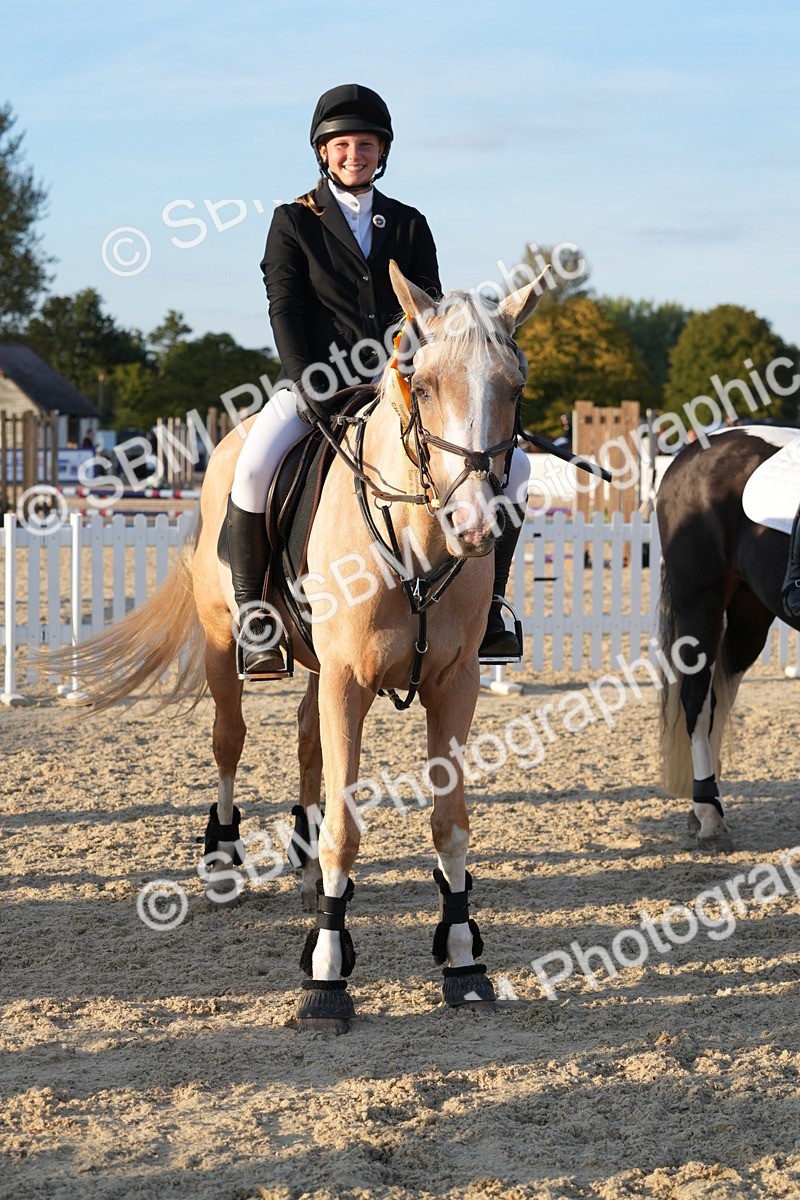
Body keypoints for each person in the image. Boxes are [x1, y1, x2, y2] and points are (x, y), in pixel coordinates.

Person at [228, 83, 530, 674]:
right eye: (342, 144)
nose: (354, 154)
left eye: (365, 144)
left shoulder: (410, 223)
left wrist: (424, 379)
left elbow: (432, 318)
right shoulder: (293, 222)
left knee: (514, 468)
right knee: (253, 464)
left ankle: (490, 607)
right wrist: (304, 382)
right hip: (316, 383)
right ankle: (254, 617)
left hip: (398, 384)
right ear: (323, 152)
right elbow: (284, 308)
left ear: (381, 151)